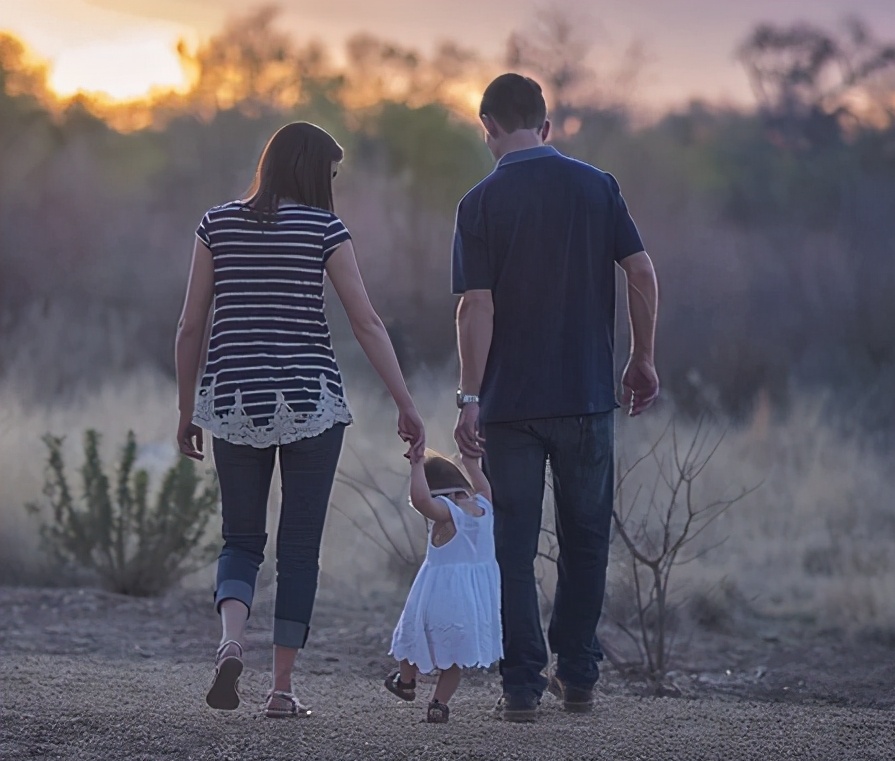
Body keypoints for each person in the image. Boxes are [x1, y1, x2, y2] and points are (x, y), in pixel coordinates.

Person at [175, 121, 425, 717]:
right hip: (311, 402)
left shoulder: (216, 225)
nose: (333, 184)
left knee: (240, 539)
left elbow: (190, 326)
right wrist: (405, 401)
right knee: (299, 548)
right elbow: (366, 322)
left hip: (233, 402)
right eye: (331, 173)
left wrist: (187, 411)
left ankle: (231, 642)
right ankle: (281, 689)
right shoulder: (324, 229)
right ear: (312, 170)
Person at [451, 74, 660, 722]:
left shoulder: (479, 202)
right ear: (546, 126)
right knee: (586, 538)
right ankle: (578, 676)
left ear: (487, 127)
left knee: (513, 545)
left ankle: (520, 687)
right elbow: (642, 271)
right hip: (587, 397)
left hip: (510, 406)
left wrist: (468, 396)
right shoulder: (597, 187)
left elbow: (474, 307)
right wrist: (642, 357)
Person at [384, 450, 502, 723]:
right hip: (473, 600)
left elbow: (421, 500)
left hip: (439, 595)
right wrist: (471, 461)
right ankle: (438, 704)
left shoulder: (448, 513)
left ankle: (407, 681)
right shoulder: (484, 505)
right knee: (454, 659)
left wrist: (416, 466)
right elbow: (483, 485)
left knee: (411, 639)